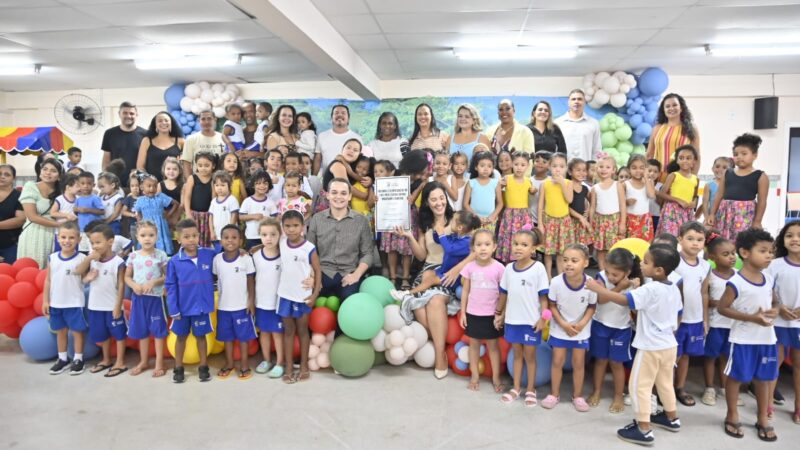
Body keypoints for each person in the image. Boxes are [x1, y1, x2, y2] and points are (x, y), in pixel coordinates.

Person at [587, 244, 683, 446]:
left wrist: (598, 289)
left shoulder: (650, 289)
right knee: (665, 383)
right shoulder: (673, 287)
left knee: (639, 386)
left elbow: (624, 300)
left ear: (659, 270)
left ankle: (643, 429)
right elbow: (677, 314)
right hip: (669, 345)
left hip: (651, 347)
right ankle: (671, 417)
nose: (642, 265)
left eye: (646, 262)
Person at [395, 182, 466, 378]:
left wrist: (457, 269)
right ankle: (440, 345)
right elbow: (421, 255)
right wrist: (409, 237)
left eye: (441, 198)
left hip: (449, 273)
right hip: (427, 272)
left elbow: (472, 249)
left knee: (435, 300)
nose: (439, 203)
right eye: (433, 199)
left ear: (446, 199)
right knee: (418, 307)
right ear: (427, 202)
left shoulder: (457, 220)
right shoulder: (425, 225)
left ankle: (440, 356)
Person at [718, 228, 779, 442]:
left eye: (771, 251)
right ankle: (732, 414)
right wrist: (752, 318)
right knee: (736, 378)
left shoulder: (768, 279)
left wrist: (776, 310)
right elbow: (722, 308)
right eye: (763, 251)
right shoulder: (736, 282)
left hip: (767, 339)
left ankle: (762, 418)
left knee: (763, 379)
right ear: (744, 253)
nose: (769, 255)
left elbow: (775, 302)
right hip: (743, 340)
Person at [496, 228, 549, 407]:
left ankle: (531, 389)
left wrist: (543, 319)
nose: (518, 248)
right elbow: (504, 294)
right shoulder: (508, 269)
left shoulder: (538, 268)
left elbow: (544, 298)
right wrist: (499, 314)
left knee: (530, 357)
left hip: (530, 323)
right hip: (512, 322)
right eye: (516, 244)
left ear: (533, 249)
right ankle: (516, 388)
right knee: (517, 355)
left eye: (524, 245)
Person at [541, 244, 597, 412]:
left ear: (585, 263)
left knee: (578, 363)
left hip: (581, 330)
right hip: (560, 329)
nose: (568, 264)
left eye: (574, 260)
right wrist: (563, 324)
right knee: (557, 361)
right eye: (565, 260)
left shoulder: (591, 284)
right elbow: (552, 305)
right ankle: (554, 394)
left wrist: (581, 324)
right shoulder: (556, 282)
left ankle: (578, 396)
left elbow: (592, 307)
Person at [589, 248, 640, 413]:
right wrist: (619, 287)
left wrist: (633, 287)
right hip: (600, 324)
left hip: (621, 328)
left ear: (627, 272)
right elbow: (601, 299)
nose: (610, 277)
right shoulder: (600, 277)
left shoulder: (632, 283)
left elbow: (632, 306)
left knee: (617, 363)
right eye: (608, 272)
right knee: (600, 361)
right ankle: (597, 391)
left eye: (615, 275)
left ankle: (618, 396)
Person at [166, 219, 216, 383]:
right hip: (182, 309)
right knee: (181, 338)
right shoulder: (174, 261)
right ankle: (178, 368)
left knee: (201, 337)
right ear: (178, 239)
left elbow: (226, 253)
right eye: (186, 237)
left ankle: (203, 367)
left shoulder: (208, 254)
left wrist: (242, 251)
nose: (191, 239)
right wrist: (173, 309)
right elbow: (170, 286)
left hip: (201, 308)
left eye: (194, 235)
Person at [307, 178, 372, 301]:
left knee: (350, 301)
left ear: (349, 196)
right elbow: (309, 250)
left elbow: (367, 253)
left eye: (343, 193)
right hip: (323, 271)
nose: (338, 197)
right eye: (334, 192)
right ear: (327, 195)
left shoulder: (361, 220)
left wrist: (356, 275)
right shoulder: (317, 219)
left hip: (349, 272)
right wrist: (313, 275)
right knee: (307, 295)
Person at [390, 211, 479, 300]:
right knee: (427, 273)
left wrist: (442, 234)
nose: (450, 222)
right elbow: (438, 240)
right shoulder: (455, 236)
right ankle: (423, 294)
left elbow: (450, 250)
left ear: (460, 227)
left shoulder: (467, 243)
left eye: (452, 221)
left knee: (430, 280)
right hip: (444, 270)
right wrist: (436, 231)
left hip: (453, 277)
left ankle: (407, 294)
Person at [278, 210, 321, 383]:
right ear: (282, 227)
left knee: (303, 331)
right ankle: (289, 367)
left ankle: (303, 366)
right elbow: (267, 245)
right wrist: (253, 249)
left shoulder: (309, 248)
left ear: (303, 227)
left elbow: (318, 270)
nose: (291, 229)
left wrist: (315, 294)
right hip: (285, 296)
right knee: (288, 331)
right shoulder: (281, 243)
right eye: (287, 226)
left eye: (295, 225)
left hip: (303, 297)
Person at [459, 229, 505, 392]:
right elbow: (465, 291)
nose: (483, 248)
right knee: (474, 346)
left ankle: (496, 378)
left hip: (492, 315)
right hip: (473, 313)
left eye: (487, 244)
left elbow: (504, 293)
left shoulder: (500, 268)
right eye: (478, 245)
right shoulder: (469, 267)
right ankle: (474, 376)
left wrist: (501, 314)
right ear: (473, 248)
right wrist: (463, 312)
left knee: (493, 347)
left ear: (494, 246)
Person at [673, 221, 711, 406]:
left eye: (699, 239)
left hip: (694, 319)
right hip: (676, 320)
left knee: (686, 355)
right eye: (690, 238)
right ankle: (664, 389)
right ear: (680, 239)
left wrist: (705, 319)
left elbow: (704, 293)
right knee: (672, 356)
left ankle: (680, 387)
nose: (695, 243)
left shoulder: (705, 266)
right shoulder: (674, 262)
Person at [42, 221, 88, 375]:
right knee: (60, 331)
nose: (67, 241)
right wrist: (45, 300)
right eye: (63, 237)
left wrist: (90, 277)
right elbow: (48, 280)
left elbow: (83, 279)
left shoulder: (82, 258)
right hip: (56, 303)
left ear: (79, 239)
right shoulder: (52, 258)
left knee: (77, 331)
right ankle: (62, 358)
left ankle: (78, 359)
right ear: (57, 238)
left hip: (74, 302)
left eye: (71, 237)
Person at [124, 220, 169, 377]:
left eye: (151, 235)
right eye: (143, 235)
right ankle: (144, 361)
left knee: (158, 331)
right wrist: (133, 285)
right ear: (137, 237)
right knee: (142, 330)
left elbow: (167, 276)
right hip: (138, 299)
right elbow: (127, 277)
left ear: (157, 236)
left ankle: (159, 363)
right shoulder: (133, 256)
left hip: (155, 299)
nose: (147, 238)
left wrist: (154, 282)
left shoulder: (161, 255)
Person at [82, 223, 127, 377]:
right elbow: (82, 277)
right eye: (92, 243)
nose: (95, 246)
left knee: (119, 334)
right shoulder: (92, 260)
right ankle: (106, 359)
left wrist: (118, 306)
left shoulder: (118, 262)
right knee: (102, 335)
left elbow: (121, 285)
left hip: (112, 306)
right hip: (95, 306)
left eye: (98, 242)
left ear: (110, 241)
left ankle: (120, 362)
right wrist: (88, 274)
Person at [213, 225, 257, 380]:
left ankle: (244, 365)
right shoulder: (217, 259)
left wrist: (251, 301)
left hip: (242, 307)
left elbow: (251, 281)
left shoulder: (246, 259)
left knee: (244, 338)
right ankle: (229, 363)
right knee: (227, 338)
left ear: (240, 240)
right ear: (221, 241)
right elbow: (216, 279)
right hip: (224, 307)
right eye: (226, 238)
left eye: (234, 237)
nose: (230, 241)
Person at [706, 133, 769, 242]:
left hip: (745, 216)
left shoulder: (761, 176)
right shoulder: (727, 173)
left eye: (744, 154)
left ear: (755, 155)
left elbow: (762, 201)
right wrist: (712, 214)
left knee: (741, 242)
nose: (739, 157)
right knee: (722, 242)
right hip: (725, 214)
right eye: (736, 154)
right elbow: (719, 195)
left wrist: (757, 221)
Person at [767, 221, 800, 424]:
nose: (795, 239)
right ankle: (767, 403)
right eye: (789, 235)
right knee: (774, 362)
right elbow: (766, 289)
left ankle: (798, 407)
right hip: (778, 322)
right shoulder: (775, 265)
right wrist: (778, 306)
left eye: (799, 235)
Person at [702, 233, 737, 407]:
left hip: (733, 325)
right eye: (726, 254)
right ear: (712, 257)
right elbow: (705, 299)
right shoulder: (710, 277)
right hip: (716, 324)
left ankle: (724, 387)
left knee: (726, 357)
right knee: (711, 357)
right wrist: (719, 303)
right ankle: (709, 388)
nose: (732, 257)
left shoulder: (738, 275)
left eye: (733, 253)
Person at [253, 218, 285, 379]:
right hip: (261, 303)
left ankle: (280, 363)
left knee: (277, 334)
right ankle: (266, 360)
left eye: (273, 234)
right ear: (259, 235)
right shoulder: (255, 256)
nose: (269, 238)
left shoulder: (284, 256)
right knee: (264, 332)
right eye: (264, 235)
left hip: (278, 304)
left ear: (280, 235)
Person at [18, 158, 62, 267]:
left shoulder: (62, 191)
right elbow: (32, 216)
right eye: (45, 169)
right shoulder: (30, 186)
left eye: (53, 170)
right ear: (40, 171)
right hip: (34, 234)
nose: (48, 172)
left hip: (56, 235)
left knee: (51, 270)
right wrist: (59, 225)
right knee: (31, 269)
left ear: (59, 176)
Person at [646, 93, 701, 181]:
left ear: (681, 108)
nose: (671, 108)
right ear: (663, 110)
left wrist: (693, 178)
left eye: (674, 105)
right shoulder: (657, 128)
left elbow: (696, 156)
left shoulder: (691, 128)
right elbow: (649, 154)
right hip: (658, 178)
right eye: (667, 106)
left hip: (682, 178)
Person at [538, 153, 574, 279]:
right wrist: (540, 223)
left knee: (561, 251)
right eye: (554, 166)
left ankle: (560, 276)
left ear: (566, 168)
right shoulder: (545, 184)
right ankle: (548, 276)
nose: (558, 169)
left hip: (563, 221)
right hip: (549, 221)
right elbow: (540, 205)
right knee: (548, 252)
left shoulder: (568, 183)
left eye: (561, 166)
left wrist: (562, 183)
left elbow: (569, 199)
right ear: (549, 167)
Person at [496, 152, 535, 263]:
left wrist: (534, 191)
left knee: (524, 238)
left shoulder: (528, 181)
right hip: (510, 215)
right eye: (516, 164)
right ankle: (508, 264)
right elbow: (498, 190)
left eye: (523, 165)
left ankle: (524, 262)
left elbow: (532, 194)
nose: (519, 167)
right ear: (512, 164)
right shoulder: (507, 179)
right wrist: (499, 184)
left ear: (528, 166)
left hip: (524, 215)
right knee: (510, 238)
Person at [590, 156, 626, 271]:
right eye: (601, 166)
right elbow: (592, 207)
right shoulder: (595, 188)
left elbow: (622, 205)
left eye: (607, 167)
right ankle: (602, 272)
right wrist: (590, 224)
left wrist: (622, 223)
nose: (604, 169)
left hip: (614, 221)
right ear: (597, 169)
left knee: (614, 248)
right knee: (601, 249)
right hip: (599, 221)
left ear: (613, 170)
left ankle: (613, 271)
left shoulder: (618, 185)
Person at [656, 145, 699, 237]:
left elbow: (695, 196)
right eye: (681, 158)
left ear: (694, 161)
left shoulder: (695, 179)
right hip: (672, 211)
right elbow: (661, 193)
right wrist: (678, 200)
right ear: (677, 160)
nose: (684, 161)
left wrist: (694, 202)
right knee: (671, 237)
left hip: (687, 212)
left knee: (685, 236)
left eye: (688, 158)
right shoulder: (673, 175)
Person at [102, 101, 147, 188]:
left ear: (136, 115)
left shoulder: (145, 134)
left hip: (138, 183)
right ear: (119, 114)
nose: (128, 116)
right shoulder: (109, 133)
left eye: (131, 113)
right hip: (115, 183)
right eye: (125, 113)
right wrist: (106, 179)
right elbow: (106, 159)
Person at [316, 138, 364, 212]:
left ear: (359, 154)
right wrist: (365, 196)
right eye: (348, 148)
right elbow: (347, 187)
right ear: (342, 149)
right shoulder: (338, 165)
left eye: (355, 150)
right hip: (331, 207)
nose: (351, 151)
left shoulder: (352, 167)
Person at [136, 111, 184, 182]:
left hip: (174, 185)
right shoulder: (146, 141)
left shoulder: (181, 141)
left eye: (166, 120)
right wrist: (148, 181)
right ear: (155, 124)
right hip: (152, 186)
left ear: (171, 123)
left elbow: (186, 166)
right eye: (160, 121)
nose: (163, 123)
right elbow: (140, 167)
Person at [313, 104, 362, 174]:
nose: (339, 115)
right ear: (331, 118)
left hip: (349, 179)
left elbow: (360, 161)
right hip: (327, 179)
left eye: (343, 113)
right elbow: (318, 159)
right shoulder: (322, 136)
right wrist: (313, 177)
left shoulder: (357, 138)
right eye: (336, 113)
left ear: (348, 119)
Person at [555, 89, 601, 162]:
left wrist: (594, 166)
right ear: (568, 103)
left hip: (585, 167)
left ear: (584, 102)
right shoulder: (558, 123)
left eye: (579, 99)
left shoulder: (593, 123)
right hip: (564, 167)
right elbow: (554, 149)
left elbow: (597, 149)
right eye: (573, 99)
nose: (576, 101)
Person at [463, 151, 503, 233]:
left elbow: (500, 203)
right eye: (482, 165)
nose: (486, 169)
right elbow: (465, 204)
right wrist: (476, 216)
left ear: (492, 168)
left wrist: (493, 216)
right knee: (474, 239)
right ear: (476, 167)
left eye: (489, 166)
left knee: (488, 239)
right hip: (474, 220)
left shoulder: (495, 183)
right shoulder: (471, 183)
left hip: (490, 220)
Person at [182, 152, 215, 248]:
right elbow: (187, 197)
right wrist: (188, 213)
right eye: (200, 165)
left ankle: (205, 254)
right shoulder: (192, 178)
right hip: (194, 214)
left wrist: (213, 215)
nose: (203, 168)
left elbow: (214, 199)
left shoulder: (214, 179)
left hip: (208, 216)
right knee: (193, 237)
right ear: (196, 165)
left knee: (206, 239)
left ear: (213, 166)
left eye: (206, 165)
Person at [239, 170, 277, 249]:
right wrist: (253, 216)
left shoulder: (271, 202)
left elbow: (275, 219)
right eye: (258, 183)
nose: (262, 186)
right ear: (253, 185)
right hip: (251, 237)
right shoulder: (247, 201)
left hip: (267, 237)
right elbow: (241, 217)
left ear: (269, 185)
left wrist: (268, 219)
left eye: (265, 183)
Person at [180, 110, 224, 178]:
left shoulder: (223, 138)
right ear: (199, 120)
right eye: (203, 119)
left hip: (219, 180)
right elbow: (186, 162)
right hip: (199, 181)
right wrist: (189, 181)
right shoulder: (191, 139)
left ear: (215, 119)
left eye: (209, 119)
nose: (206, 122)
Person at [624, 155, 656, 242]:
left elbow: (651, 195)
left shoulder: (649, 182)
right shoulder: (625, 184)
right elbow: (619, 202)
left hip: (645, 219)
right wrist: (626, 202)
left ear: (646, 169)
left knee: (645, 243)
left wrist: (646, 178)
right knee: (631, 243)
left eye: (641, 168)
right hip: (630, 219)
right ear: (628, 169)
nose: (638, 171)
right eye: (634, 168)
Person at [208, 171, 239, 253]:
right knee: (218, 255)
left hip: (229, 237)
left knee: (230, 254)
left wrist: (230, 232)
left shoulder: (232, 200)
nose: (219, 188)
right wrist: (212, 232)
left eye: (222, 185)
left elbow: (234, 216)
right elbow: (210, 217)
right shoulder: (213, 201)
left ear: (229, 185)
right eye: (217, 185)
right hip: (217, 236)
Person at [74, 172, 104, 252]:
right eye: (82, 183)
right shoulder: (78, 199)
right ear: (78, 185)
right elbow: (75, 211)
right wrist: (76, 210)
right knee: (83, 250)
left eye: (89, 184)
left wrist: (88, 210)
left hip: (94, 230)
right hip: (82, 230)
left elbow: (102, 211)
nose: (85, 186)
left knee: (94, 250)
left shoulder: (95, 198)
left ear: (93, 185)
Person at [0, 165, 24, 264]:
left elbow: (20, 220)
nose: (2, 176)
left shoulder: (19, 196)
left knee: (10, 271)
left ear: (13, 178)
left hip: (10, 245)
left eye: (7, 174)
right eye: (0, 174)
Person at [697, 156, 732, 221]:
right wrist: (706, 218)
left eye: (724, 167)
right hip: (713, 218)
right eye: (717, 166)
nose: (720, 169)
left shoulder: (731, 185)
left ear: (730, 170)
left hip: (727, 218)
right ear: (712, 168)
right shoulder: (709, 185)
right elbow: (705, 204)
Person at [567, 158, 592, 248]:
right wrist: (580, 217)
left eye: (584, 170)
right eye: (578, 170)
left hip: (580, 223)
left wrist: (587, 211)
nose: (582, 173)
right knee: (569, 245)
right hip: (569, 221)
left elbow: (592, 202)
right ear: (570, 172)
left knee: (580, 247)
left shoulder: (585, 188)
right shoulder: (567, 186)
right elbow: (566, 206)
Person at [159, 157, 184, 227]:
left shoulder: (183, 186)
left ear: (180, 171)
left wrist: (175, 217)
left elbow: (182, 204)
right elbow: (158, 202)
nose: (171, 171)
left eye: (174, 169)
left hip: (178, 214)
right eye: (168, 169)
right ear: (164, 170)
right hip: (164, 215)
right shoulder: (160, 185)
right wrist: (166, 216)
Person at [530, 151, 551, 226]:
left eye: (544, 162)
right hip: (531, 219)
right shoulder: (529, 180)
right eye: (537, 161)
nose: (540, 163)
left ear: (550, 165)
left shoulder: (551, 181)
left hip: (547, 220)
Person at [121, 173, 140, 244]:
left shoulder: (144, 197)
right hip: (133, 225)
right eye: (132, 186)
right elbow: (123, 211)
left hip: (145, 224)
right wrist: (132, 215)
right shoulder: (129, 198)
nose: (135, 188)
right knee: (135, 243)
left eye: (137, 185)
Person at [646, 159, 664, 232]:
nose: (652, 173)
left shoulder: (661, 186)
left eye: (655, 171)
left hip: (656, 216)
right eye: (649, 170)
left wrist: (655, 192)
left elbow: (661, 203)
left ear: (659, 174)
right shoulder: (641, 184)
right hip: (644, 215)